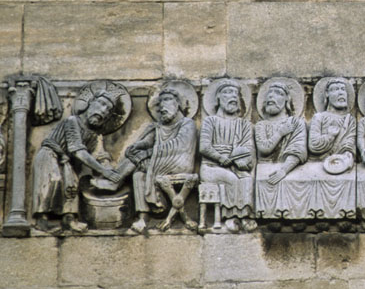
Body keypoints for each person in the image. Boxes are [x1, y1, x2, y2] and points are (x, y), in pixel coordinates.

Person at [32, 81, 125, 233]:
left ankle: (69, 219)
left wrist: (111, 170)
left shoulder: (95, 135)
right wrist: (103, 170)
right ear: (90, 103)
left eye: (108, 110)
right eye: (101, 103)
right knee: (53, 180)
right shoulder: (72, 121)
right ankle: (42, 219)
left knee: (72, 186)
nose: (103, 111)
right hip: (50, 156)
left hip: (67, 163)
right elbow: (79, 152)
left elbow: (99, 156)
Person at [116, 84, 199, 233]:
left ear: (178, 104)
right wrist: (137, 146)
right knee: (139, 174)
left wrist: (148, 154)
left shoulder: (188, 124)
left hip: (180, 161)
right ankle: (143, 217)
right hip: (161, 160)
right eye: (160, 104)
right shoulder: (159, 126)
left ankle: (115, 180)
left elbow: (179, 145)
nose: (161, 107)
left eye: (166, 100)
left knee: (141, 162)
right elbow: (149, 141)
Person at [199, 80, 257, 233]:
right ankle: (230, 217)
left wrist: (242, 161)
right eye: (227, 92)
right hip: (211, 167)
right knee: (231, 180)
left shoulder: (243, 124)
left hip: (235, 165)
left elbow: (248, 147)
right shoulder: (210, 121)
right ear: (218, 98)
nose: (233, 97)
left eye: (236, 94)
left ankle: (244, 215)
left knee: (247, 179)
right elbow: (204, 147)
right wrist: (220, 158)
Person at [255, 80, 308, 185]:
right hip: (264, 172)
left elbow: (298, 150)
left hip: (289, 170)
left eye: (278, 93)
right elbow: (264, 148)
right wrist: (280, 133)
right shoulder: (261, 125)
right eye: (269, 93)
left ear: (287, 100)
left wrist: (284, 170)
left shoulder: (295, 123)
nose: (271, 96)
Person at [308, 78, 356, 174]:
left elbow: (349, 143)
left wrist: (347, 155)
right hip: (318, 165)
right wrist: (330, 136)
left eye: (343, 89)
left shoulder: (349, 120)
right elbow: (313, 145)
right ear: (327, 94)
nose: (340, 93)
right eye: (335, 89)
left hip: (342, 162)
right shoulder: (319, 117)